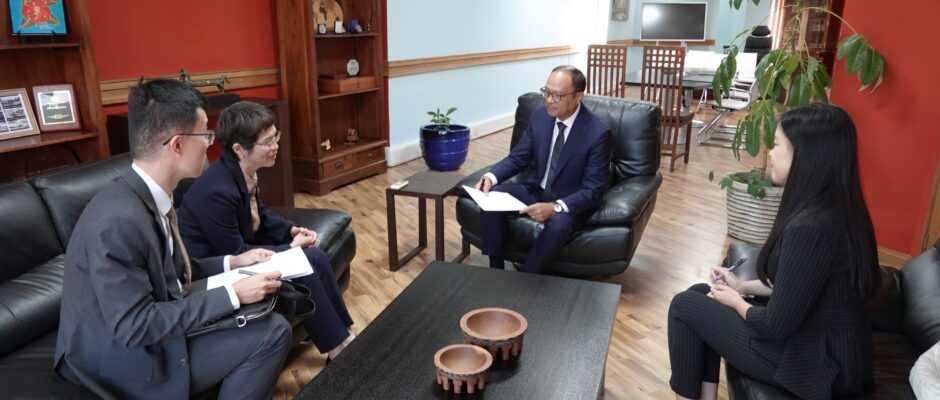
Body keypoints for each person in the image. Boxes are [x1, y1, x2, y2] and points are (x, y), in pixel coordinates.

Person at [54, 79, 291, 400]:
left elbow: (172, 276)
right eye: (205, 134)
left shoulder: (151, 194)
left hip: (149, 327)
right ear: (177, 145)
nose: (210, 144)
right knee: (272, 332)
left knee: (268, 310)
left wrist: (233, 263)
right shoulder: (118, 222)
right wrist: (232, 294)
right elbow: (135, 326)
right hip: (116, 358)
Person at [667, 103, 879, 400]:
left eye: (777, 145)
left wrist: (736, 302)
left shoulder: (811, 228)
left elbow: (775, 326)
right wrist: (741, 286)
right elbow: (800, 287)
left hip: (818, 364)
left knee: (683, 306)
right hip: (836, 352)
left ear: (805, 156)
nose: (770, 153)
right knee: (701, 292)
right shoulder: (840, 209)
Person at [177, 101, 355, 360]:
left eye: (275, 137)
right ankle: (338, 350)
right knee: (303, 263)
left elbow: (261, 215)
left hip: (237, 252)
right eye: (268, 142)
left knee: (315, 256)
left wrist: (293, 230)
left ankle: (345, 334)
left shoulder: (243, 172)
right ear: (239, 149)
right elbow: (235, 252)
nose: (275, 147)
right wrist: (289, 250)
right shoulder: (216, 191)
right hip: (213, 267)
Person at [474, 65, 611, 273]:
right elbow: (518, 157)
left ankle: (528, 277)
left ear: (578, 97)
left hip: (567, 201)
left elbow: (594, 189)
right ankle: (496, 268)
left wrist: (555, 207)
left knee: (559, 226)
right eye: (546, 92)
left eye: (557, 95)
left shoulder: (598, 133)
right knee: (491, 196)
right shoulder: (540, 116)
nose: (549, 100)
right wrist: (491, 177)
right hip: (535, 191)